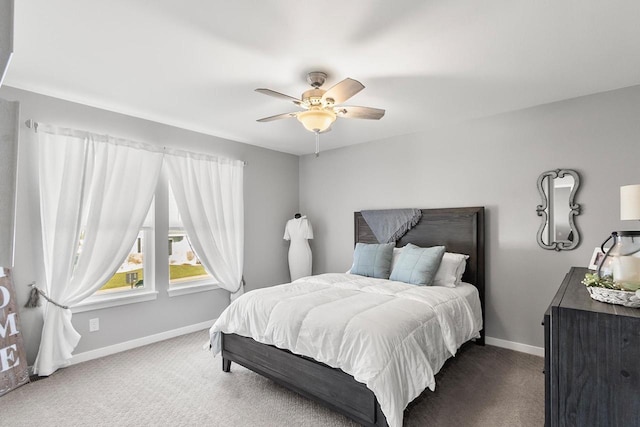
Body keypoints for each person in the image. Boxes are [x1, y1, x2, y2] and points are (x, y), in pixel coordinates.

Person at [283, 213, 313, 281]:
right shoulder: (289, 223)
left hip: (304, 253)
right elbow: (287, 237)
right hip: (293, 253)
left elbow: (310, 236)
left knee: (306, 277)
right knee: (294, 276)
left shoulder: (306, 222)